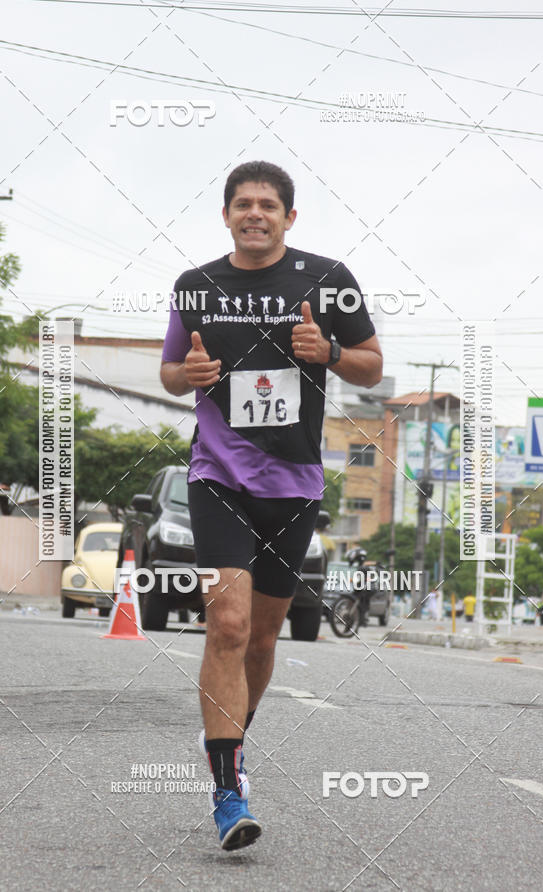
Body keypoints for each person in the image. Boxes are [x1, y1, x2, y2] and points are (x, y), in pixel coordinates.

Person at [160, 161, 383, 850]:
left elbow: (372, 363)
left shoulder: (329, 280)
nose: (254, 214)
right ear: (226, 215)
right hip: (218, 476)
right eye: (242, 204)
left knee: (260, 639)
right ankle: (228, 793)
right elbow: (170, 373)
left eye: (268, 205)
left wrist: (332, 348)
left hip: (294, 486)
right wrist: (187, 376)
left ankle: (228, 742)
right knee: (226, 624)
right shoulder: (196, 287)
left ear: (290, 217)